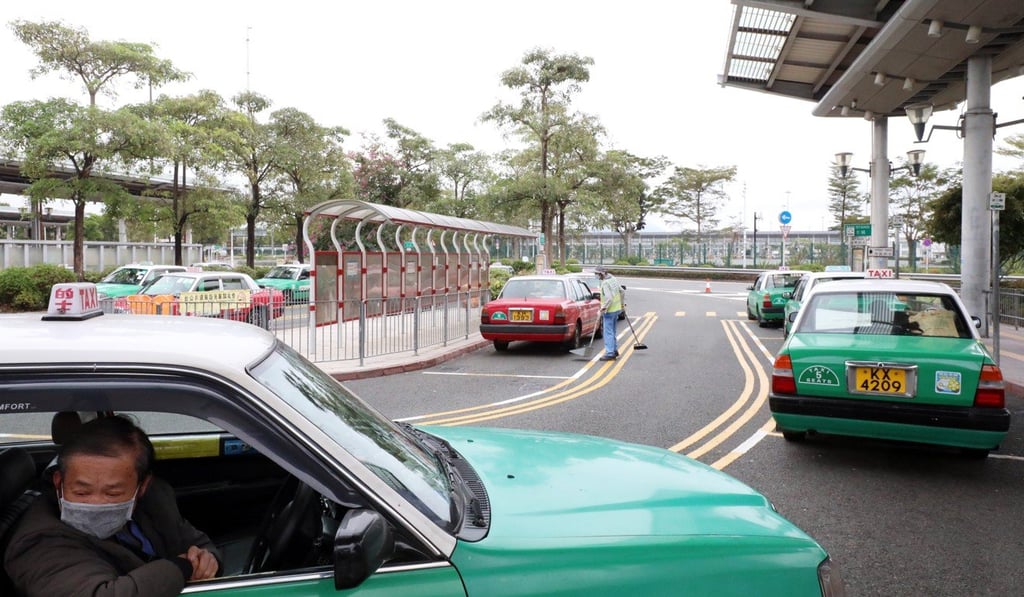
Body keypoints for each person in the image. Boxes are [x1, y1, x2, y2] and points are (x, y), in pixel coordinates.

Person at [4, 415, 220, 597]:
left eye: (113, 493)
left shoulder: (153, 500)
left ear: (142, 486)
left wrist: (207, 560)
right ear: (59, 482)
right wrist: (182, 567)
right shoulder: (38, 542)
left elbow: (197, 543)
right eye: (81, 492)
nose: (96, 503)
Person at [595, 266, 624, 361]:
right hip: (617, 309)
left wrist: (603, 308)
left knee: (608, 332)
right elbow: (622, 291)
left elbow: (609, 298)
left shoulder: (605, 283)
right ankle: (614, 350)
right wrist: (622, 304)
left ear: (601, 274)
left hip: (609, 311)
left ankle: (610, 352)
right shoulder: (613, 279)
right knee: (613, 331)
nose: (596, 276)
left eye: (597, 274)